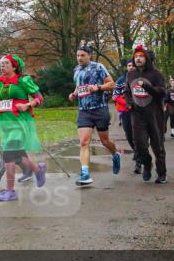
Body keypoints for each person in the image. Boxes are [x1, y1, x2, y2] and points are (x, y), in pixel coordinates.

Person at [0, 54, 46, 201]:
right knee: (15, 155)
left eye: (6, 63)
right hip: (4, 123)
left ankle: (10, 191)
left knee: (9, 155)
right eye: (1, 64)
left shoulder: (23, 80)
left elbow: (39, 98)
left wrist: (28, 105)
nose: (2, 66)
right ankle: (38, 170)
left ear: (14, 66)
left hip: (21, 122)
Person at [67, 43, 120, 186]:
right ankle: (85, 173)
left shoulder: (98, 67)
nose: (79, 58)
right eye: (77, 55)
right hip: (84, 111)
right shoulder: (76, 70)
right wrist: (74, 94)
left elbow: (112, 84)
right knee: (84, 142)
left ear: (89, 55)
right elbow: (79, 86)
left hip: (99, 109)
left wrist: (98, 87)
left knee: (105, 141)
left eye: (82, 55)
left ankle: (115, 154)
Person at [125, 44, 167, 183]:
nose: (138, 59)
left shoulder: (156, 74)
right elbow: (127, 91)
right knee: (139, 145)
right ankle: (147, 164)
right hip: (137, 114)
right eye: (136, 56)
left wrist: (148, 87)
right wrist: (129, 102)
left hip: (154, 114)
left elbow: (162, 92)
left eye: (141, 56)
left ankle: (161, 173)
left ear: (146, 58)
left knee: (157, 145)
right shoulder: (131, 74)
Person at [113, 59, 141, 174]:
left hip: (139, 111)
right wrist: (127, 103)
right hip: (125, 111)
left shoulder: (141, 79)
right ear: (126, 67)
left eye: (133, 65)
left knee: (138, 135)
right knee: (129, 135)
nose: (131, 67)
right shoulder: (120, 80)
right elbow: (115, 96)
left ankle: (139, 161)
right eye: (129, 65)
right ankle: (136, 151)